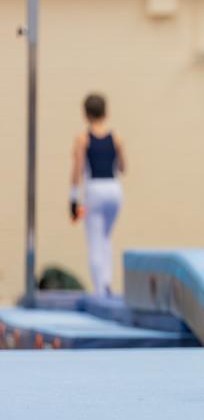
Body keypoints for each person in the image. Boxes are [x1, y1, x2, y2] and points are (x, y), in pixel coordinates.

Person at [70, 93, 125, 297]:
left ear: (85, 115)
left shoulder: (83, 139)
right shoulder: (116, 137)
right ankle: (107, 281)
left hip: (94, 189)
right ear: (106, 113)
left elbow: (77, 169)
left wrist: (73, 198)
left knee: (95, 239)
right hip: (115, 190)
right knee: (106, 238)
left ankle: (99, 290)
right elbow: (123, 166)